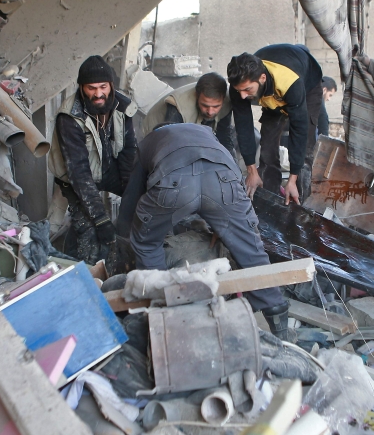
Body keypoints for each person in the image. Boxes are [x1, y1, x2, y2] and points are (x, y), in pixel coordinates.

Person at [117, 123, 290, 338]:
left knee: (146, 243)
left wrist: (125, 236)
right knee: (251, 249)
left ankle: (164, 321)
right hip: (222, 180)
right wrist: (226, 226)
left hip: (173, 183)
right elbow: (231, 175)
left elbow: (133, 197)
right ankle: (280, 324)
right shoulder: (208, 135)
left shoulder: (149, 143)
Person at [49, 56, 137, 264]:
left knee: (141, 202)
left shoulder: (123, 107)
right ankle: (81, 265)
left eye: (103, 87)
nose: (98, 94)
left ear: (111, 86)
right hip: (74, 177)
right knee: (89, 230)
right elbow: (78, 172)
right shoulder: (70, 117)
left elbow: (128, 153)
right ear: (81, 88)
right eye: (91, 88)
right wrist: (100, 219)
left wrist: (131, 195)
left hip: (108, 167)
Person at [228, 44, 324, 205]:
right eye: (239, 91)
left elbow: (298, 131)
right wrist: (252, 171)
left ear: (262, 78)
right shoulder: (239, 87)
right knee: (268, 147)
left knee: (305, 147)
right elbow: (243, 127)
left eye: (247, 90)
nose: (243, 96)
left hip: (307, 85)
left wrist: (292, 178)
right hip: (271, 89)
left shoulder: (290, 82)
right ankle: (269, 201)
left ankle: (297, 200)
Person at [141, 72, 237, 159]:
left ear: (223, 99)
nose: (210, 112)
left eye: (216, 106)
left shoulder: (228, 100)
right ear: (196, 95)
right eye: (205, 105)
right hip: (156, 131)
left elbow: (224, 136)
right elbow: (170, 143)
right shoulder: (178, 105)